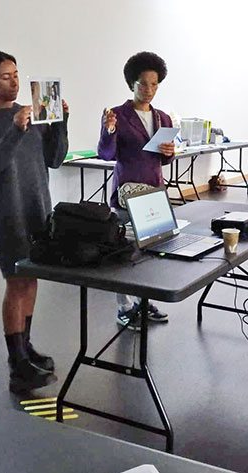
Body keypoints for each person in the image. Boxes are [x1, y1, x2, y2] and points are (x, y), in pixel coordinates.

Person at [0, 51, 69, 392]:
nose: (14, 81)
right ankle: (16, 362)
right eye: (6, 76)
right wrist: (14, 129)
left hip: (37, 207)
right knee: (15, 281)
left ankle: (26, 346)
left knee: (32, 278)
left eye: (17, 74)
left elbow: (54, 159)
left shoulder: (31, 113)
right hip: (4, 211)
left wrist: (60, 124)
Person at [98, 51, 175, 330]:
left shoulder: (163, 117)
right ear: (132, 83)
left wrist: (169, 152)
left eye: (154, 84)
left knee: (151, 249)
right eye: (143, 84)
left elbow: (163, 158)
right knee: (125, 250)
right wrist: (108, 131)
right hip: (127, 190)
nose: (149, 90)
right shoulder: (117, 115)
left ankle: (143, 301)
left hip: (155, 189)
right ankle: (123, 306)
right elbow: (106, 154)